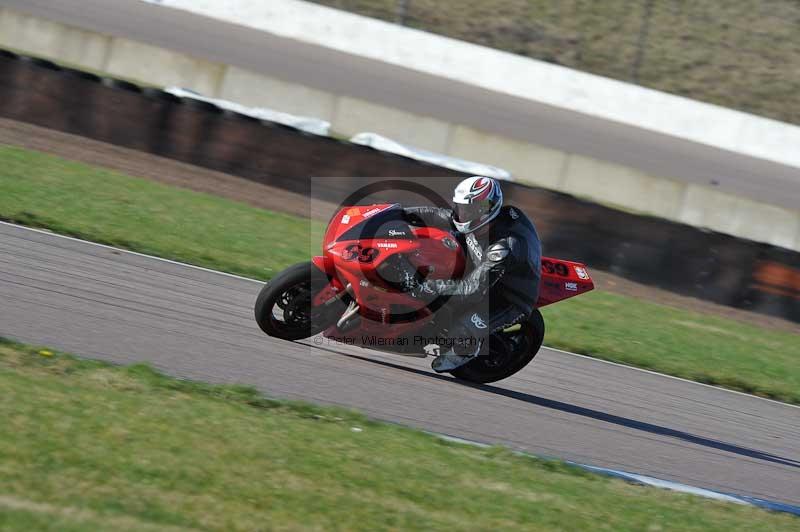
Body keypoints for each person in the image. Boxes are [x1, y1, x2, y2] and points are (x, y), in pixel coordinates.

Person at [402, 176, 542, 372]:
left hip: (508, 295)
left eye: (468, 209)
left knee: (462, 330)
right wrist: (398, 213)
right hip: (479, 265)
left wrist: (422, 286)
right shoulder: (474, 219)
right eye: (461, 207)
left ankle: (466, 350)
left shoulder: (504, 247)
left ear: (485, 210)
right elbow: (440, 216)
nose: (462, 214)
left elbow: (473, 289)